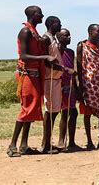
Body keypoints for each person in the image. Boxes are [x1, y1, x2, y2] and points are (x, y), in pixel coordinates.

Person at [7, 5, 56, 157]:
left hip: (35, 75)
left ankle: (24, 145)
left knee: (33, 109)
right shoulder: (26, 31)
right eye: (40, 13)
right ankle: (12, 146)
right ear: (33, 15)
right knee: (26, 109)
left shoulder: (34, 32)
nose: (42, 15)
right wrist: (44, 57)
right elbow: (24, 56)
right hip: (27, 75)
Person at [40, 16, 66, 154]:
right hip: (49, 78)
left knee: (55, 111)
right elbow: (45, 59)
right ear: (51, 24)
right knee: (50, 111)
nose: (60, 25)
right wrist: (60, 68)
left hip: (56, 79)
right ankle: (45, 144)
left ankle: (48, 142)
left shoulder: (53, 38)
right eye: (58, 23)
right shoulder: (46, 39)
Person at [56, 28, 83, 152]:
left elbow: (74, 70)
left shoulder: (71, 52)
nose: (69, 37)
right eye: (66, 35)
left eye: (69, 35)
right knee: (65, 113)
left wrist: (77, 88)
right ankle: (61, 141)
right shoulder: (56, 51)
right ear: (59, 37)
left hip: (71, 85)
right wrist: (67, 70)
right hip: (59, 85)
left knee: (73, 113)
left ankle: (71, 141)